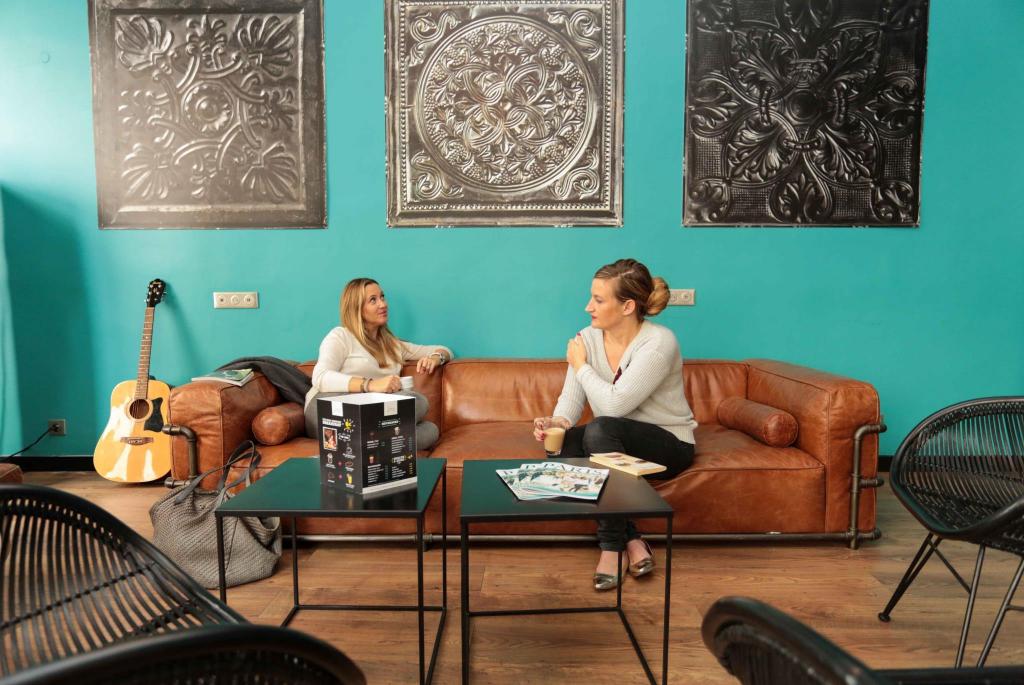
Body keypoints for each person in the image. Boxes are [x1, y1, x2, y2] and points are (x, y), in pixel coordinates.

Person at [533, 259, 697, 591]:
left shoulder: (659, 342)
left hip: (668, 443)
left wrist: (580, 365)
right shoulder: (587, 338)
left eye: (598, 299)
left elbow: (613, 406)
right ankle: (632, 538)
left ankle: (610, 546)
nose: (588, 307)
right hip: (612, 440)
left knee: (600, 428)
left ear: (627, 306)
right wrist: (557, 422)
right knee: (561, 444)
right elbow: (571, 399)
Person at [304, 278, 453, 449]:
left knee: (429, 428)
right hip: (329, 408)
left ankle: (368, 441)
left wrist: (435, 358)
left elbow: (445, 350)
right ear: (357, 308)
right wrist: (370, 385)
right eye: (373, 300)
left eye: (382, 297)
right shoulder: (341, 336)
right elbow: (320, 377)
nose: (383, 304)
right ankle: (373, 439)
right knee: (416, 402)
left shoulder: (393, 345)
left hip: (369, 415)